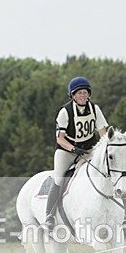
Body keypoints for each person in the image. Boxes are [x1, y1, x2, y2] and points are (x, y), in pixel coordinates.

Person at [44, 76, 109, 230]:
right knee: (59, 179)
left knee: (104, 173)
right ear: (72, 95)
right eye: (79, 93)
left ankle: (120, 214)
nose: (83, 96)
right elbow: (60, 139)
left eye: (85, 93)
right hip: (67, 149)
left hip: (88, 148)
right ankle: (49, 216)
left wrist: (104, 149)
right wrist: (73, 149)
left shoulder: (94, 109)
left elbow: (103, 133)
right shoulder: (65, 112)